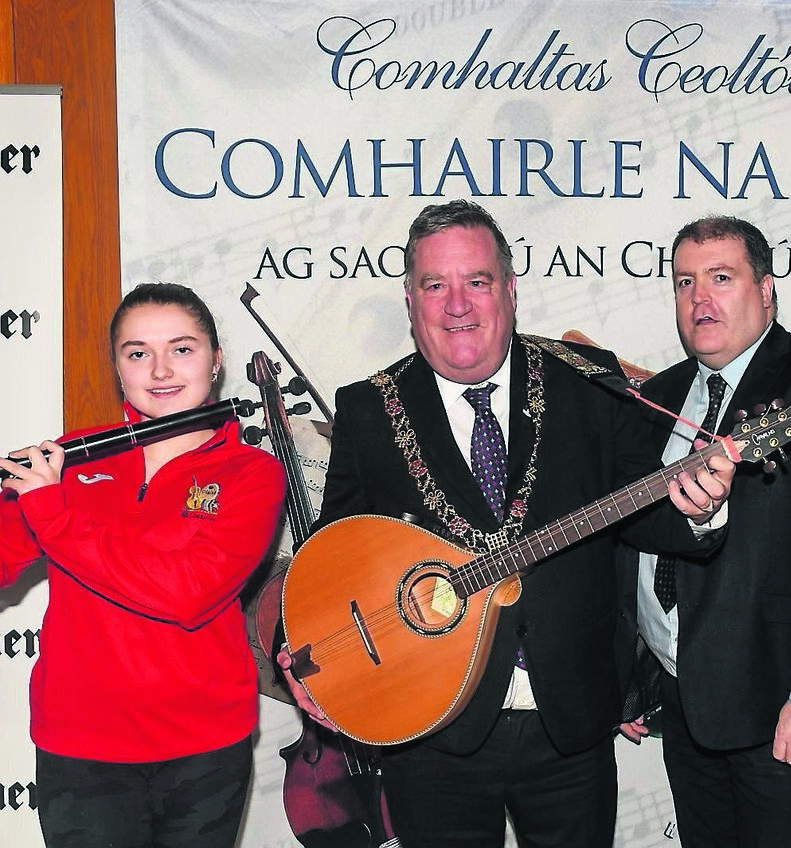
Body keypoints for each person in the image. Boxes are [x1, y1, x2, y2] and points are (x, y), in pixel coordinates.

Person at [278, 199, 734, 848]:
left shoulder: (588, 383)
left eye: (478, 281)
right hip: (430, 734)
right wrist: (303, 649)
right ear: (410, 301)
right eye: (435, 285)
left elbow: (650, 517)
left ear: (510, 291)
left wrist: (702, 507)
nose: (457, 303)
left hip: (570, 725)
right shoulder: (369, 410)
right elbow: (331, 559)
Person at [618, 216, 791, 847]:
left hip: (783, 705)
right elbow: (634, 546)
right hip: (683, 702)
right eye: (685, 282)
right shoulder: (657, 396)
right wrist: (633, 674)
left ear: (766, 289)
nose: (701, 299)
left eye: (722, 277)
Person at [0, 282, 286, 848]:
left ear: (215, 358)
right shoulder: (69, 463)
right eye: (138, 353)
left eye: (182, 348)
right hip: (80, 750)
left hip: (204, 748)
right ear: (117, 366)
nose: (160, 371)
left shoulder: (251, 473)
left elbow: (188, 593)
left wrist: (54, 517)